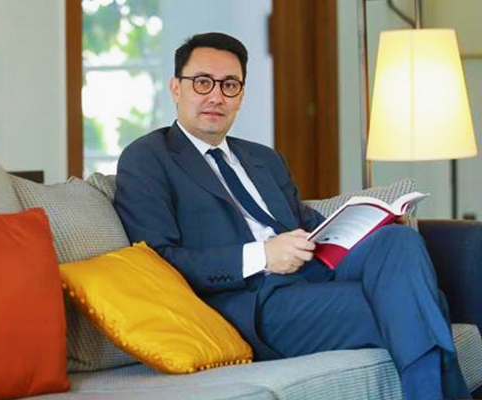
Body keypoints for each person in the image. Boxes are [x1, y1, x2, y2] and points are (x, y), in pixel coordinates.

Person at [114, 32, 469, 400]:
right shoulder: (148, 158)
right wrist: (262, 256)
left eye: (230, 85)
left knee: (397, 239)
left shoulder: (263, 159)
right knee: (423, 304)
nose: (216, 96)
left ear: (241, 95)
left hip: (310, 273)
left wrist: (370, 226)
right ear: (176, 88)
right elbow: (158, 259)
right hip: (251, 303)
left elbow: (307, 224)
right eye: (203, 82)